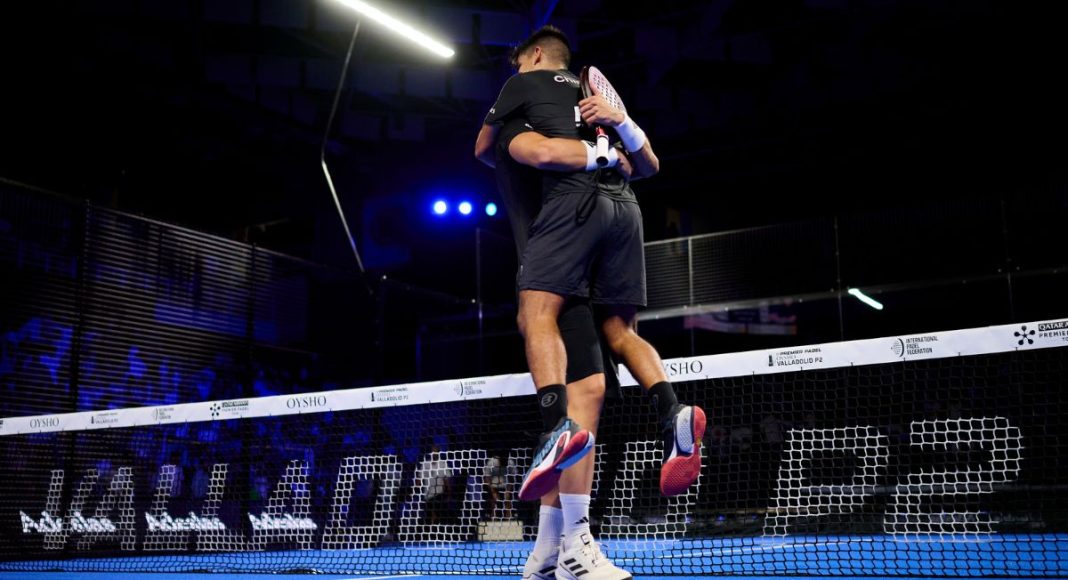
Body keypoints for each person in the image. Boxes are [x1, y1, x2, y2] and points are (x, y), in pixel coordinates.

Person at [475, 25, 707, 580]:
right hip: (623, 216)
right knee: (607, 361)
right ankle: (668, 409)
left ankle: (554, 439)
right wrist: (615, 138)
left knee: (536, 318)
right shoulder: (596, 109)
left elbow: (496, 149)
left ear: (533, 55)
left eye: (519, 63)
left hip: (569, 227)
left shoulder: (521, 98)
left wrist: (571, 153)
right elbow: (647, 165)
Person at [414, 443, 451, 525]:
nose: (434, 453)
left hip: (439, 494)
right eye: (432, 451)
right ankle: (432, 527)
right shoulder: (425, 464)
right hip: (428, 495)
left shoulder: (443, 464)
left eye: (435, 451)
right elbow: (419, 480)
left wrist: (449, 493)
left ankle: (435, 526)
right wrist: (417, 482)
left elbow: (446, 480)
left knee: (435, 514)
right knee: (430, 516)